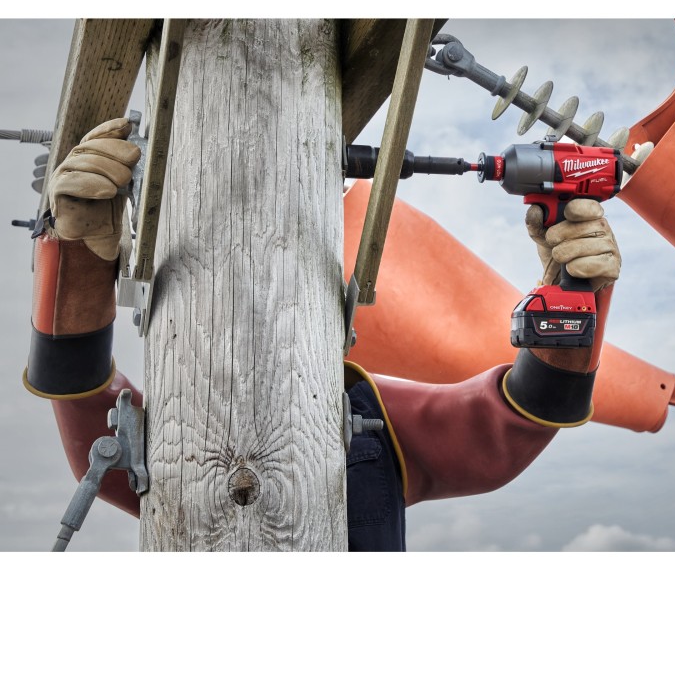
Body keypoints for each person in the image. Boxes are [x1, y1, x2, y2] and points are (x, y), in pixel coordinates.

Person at [23, 117, 622, 551]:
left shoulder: (369, 414)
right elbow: (88, 421)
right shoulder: (359, 418)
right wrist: (77, 258)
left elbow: (511, 423)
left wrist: (576, 291)